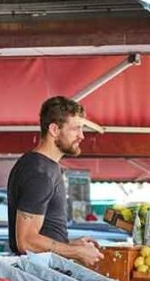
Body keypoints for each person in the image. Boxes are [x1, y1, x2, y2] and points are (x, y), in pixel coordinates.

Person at [6, 96, 103, 266]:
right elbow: (26, 241)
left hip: (44, 270)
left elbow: (42, 233)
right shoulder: (39, 172)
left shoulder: (45, 167)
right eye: (76, 129)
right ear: (54, 129)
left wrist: (70, 245)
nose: (82, 136)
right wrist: (76, 252)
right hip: (38, 278)